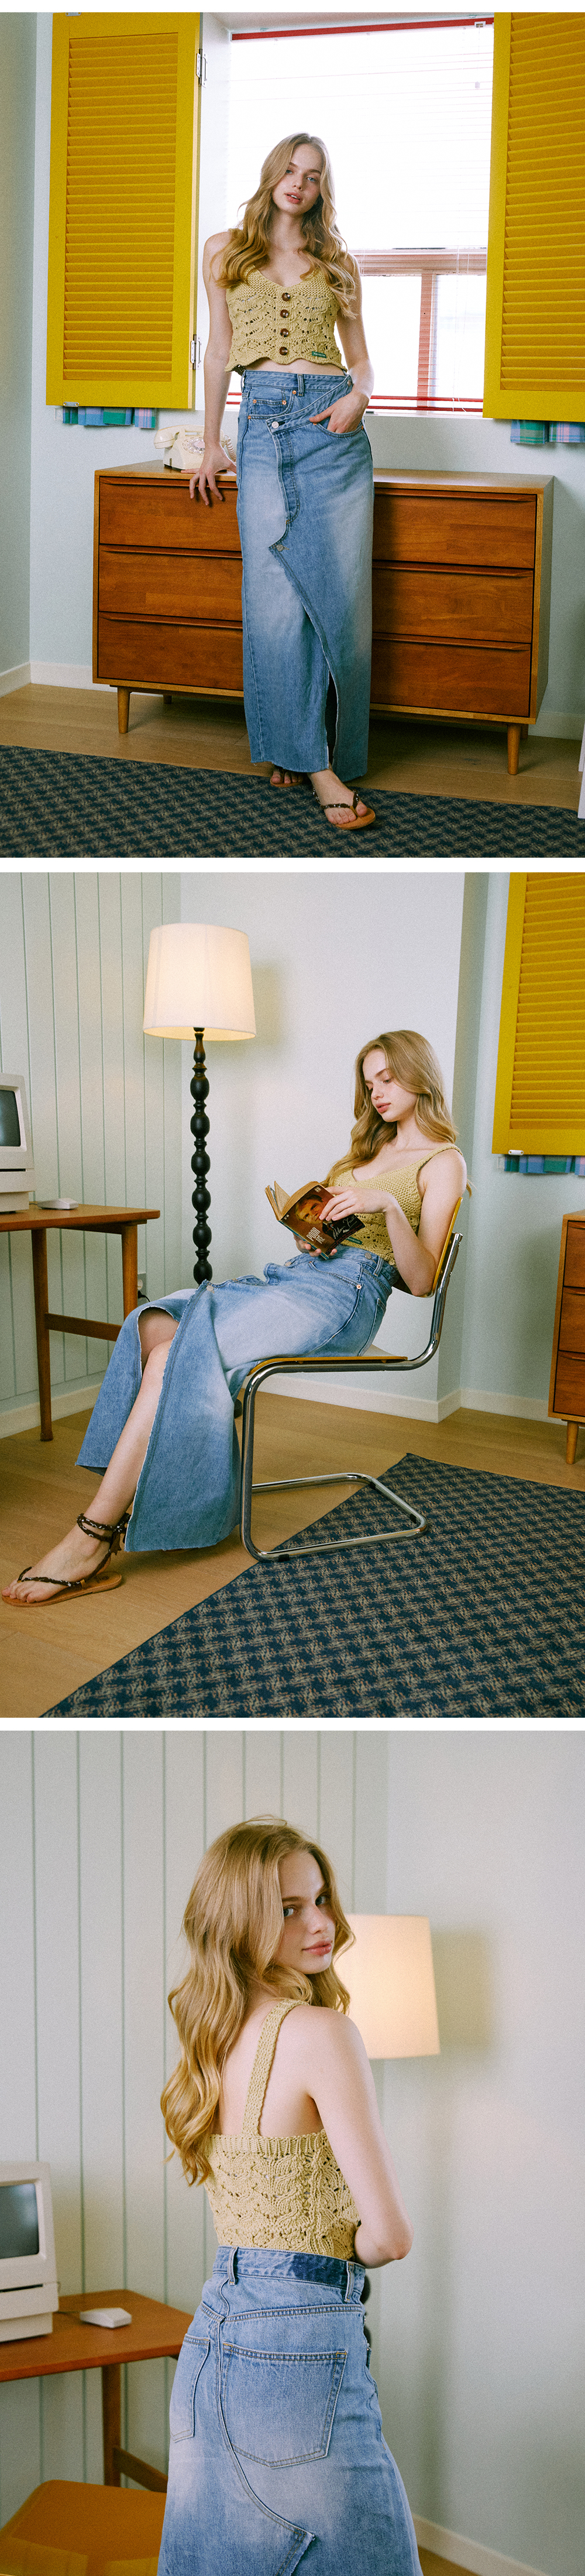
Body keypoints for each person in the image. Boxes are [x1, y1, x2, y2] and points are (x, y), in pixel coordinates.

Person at [2, 1030, 466, 1602]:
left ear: (418, 1075)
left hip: (346, 1295)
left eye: (387, 1079)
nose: (377, 1093)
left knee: (174, 1356)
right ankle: (153, 1497)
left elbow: (421, 1281)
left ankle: (92, 1535)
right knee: (150, 1324)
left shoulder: (443, 1161)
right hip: (299, 1275)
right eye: (369, 1084)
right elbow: (331, 1234)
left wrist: (389, 1206)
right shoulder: (363, 1153)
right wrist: (311, 1237)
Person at [157, 1815, 420, 2576]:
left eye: (322, 1898)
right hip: (297, 2347)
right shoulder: (321, 2032)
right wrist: (343, 2242)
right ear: (241, 1921)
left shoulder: (213, 2038)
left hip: (213, 2339)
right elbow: (389, 2235)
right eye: (288, 1908)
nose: (321, 1922)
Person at [195, 133, 377, 831]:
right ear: (273, 174)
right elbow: (218, 350)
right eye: (291, 170)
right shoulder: (224, 249)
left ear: (323, 188)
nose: (299, 183)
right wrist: (211, 443)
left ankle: (310, 751)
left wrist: (359, 397)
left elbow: (362, 359)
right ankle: (306, 756)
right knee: (275, 603)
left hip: (334, 428)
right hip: (263, 426)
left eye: (314, 176)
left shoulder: (337, 262)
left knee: (337, 596)